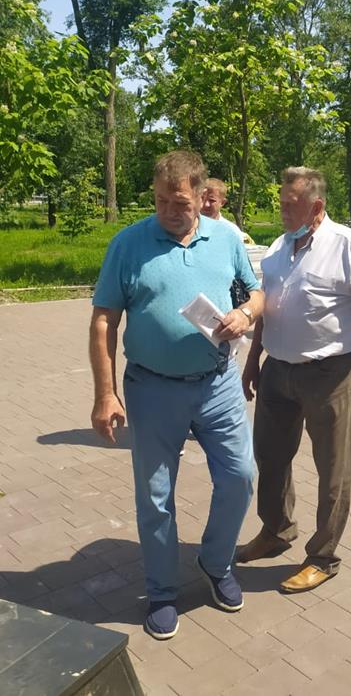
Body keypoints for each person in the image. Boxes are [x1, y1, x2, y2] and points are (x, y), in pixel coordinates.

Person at [89, 151, 263, 640]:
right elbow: (104, 320)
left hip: (218, 383)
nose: (168, 210)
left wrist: (245, 315)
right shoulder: (128, 244)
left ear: (202, 196)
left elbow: (257, 293)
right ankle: (162, 590)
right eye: (161, 201)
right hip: (152, 389)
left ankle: (215, 561)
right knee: (156, 496)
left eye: (180, 202)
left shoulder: (225, 238)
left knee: (240, 477)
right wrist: (105, 394)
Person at [237, 167, 351, 593]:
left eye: (291, 205)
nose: (283, 211)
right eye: (281, 203)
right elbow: (268, 306)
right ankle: (276, 530)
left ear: (317, 207)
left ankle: (323, 557)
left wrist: (348, 339)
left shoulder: (348, 245)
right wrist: (254, 359)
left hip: (332, 373)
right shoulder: (279, 247)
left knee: (332, 467)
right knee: (270, 455)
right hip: (277, 369)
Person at [201, 177, 253, 244]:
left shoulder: (232, 232)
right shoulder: (189, 229)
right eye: (202, 198)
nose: (206, 204)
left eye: (212, 200)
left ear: (222, 203)